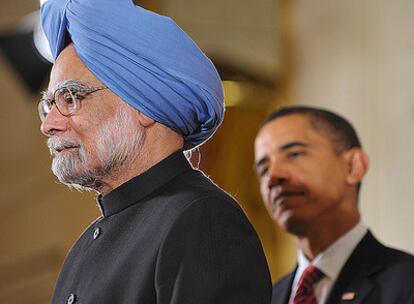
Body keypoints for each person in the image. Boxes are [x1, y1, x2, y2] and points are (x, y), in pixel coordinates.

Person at [38, 0, 271, 303]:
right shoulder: (84, 247)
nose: (49, 124)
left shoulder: (203, 221)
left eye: (71, 98)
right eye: (49, 105)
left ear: (142, 107)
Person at [254, 106, 414, 304]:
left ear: (354, 166)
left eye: (294, 154)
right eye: (263, 168)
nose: (273, 176)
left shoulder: (406, 284)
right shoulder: (266, 298)